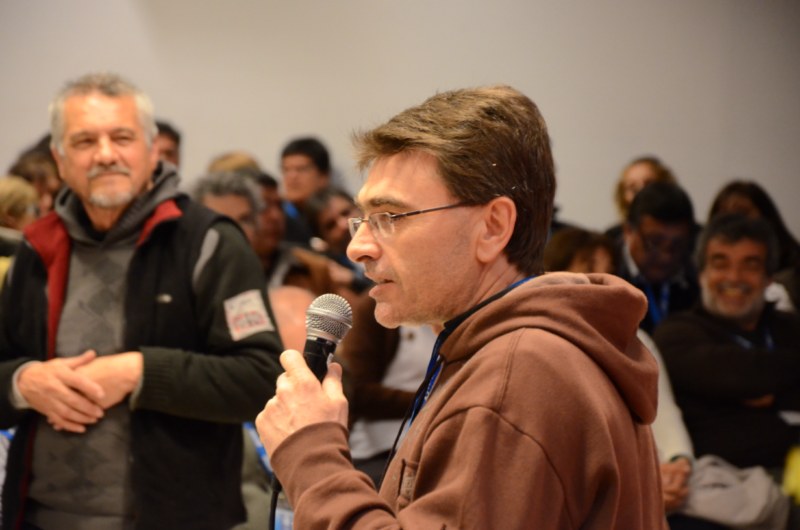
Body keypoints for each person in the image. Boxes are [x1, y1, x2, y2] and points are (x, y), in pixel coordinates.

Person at [255, 85, 666, 528]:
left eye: (389, 217)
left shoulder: (519, 375)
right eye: (363, 219)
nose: (358, 247)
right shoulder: (516, 354)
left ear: (492, 227)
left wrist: (311, 454)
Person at [0, 72, 283, 529]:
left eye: (122, 138)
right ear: (60, 159)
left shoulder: (208, 242)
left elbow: (260, 378)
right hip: (39, 517)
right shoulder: (36, 249)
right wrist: (22, 381)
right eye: (85, 141)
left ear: (153, 151)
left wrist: (139, 372)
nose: (105, 154)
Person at [654, 213, 800, 472]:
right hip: (723, 482)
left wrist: (770, 391)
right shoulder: (675, 334)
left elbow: (745, 375)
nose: (734, 277)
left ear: (769, 277)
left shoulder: (791, 327)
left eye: (750, 265)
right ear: (701, 273)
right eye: (720, 264)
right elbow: (739, 376)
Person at [616, 180, 700, 334]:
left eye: (677, 244)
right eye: (654, 242)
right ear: (628, 231)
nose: (666, 256)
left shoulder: (696, 277)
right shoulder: (606, 272)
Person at [605, 155, 677, 242]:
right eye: (632, 187)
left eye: (649, 184)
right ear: (623, 196)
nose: (641, 192)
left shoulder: (683, 233)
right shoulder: (612, 239)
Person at [280, 137, 331, 246]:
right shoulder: (278, 220)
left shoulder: (337, 217)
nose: (292, 176)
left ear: (323, 176)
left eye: (301, 169)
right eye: (286, 170)